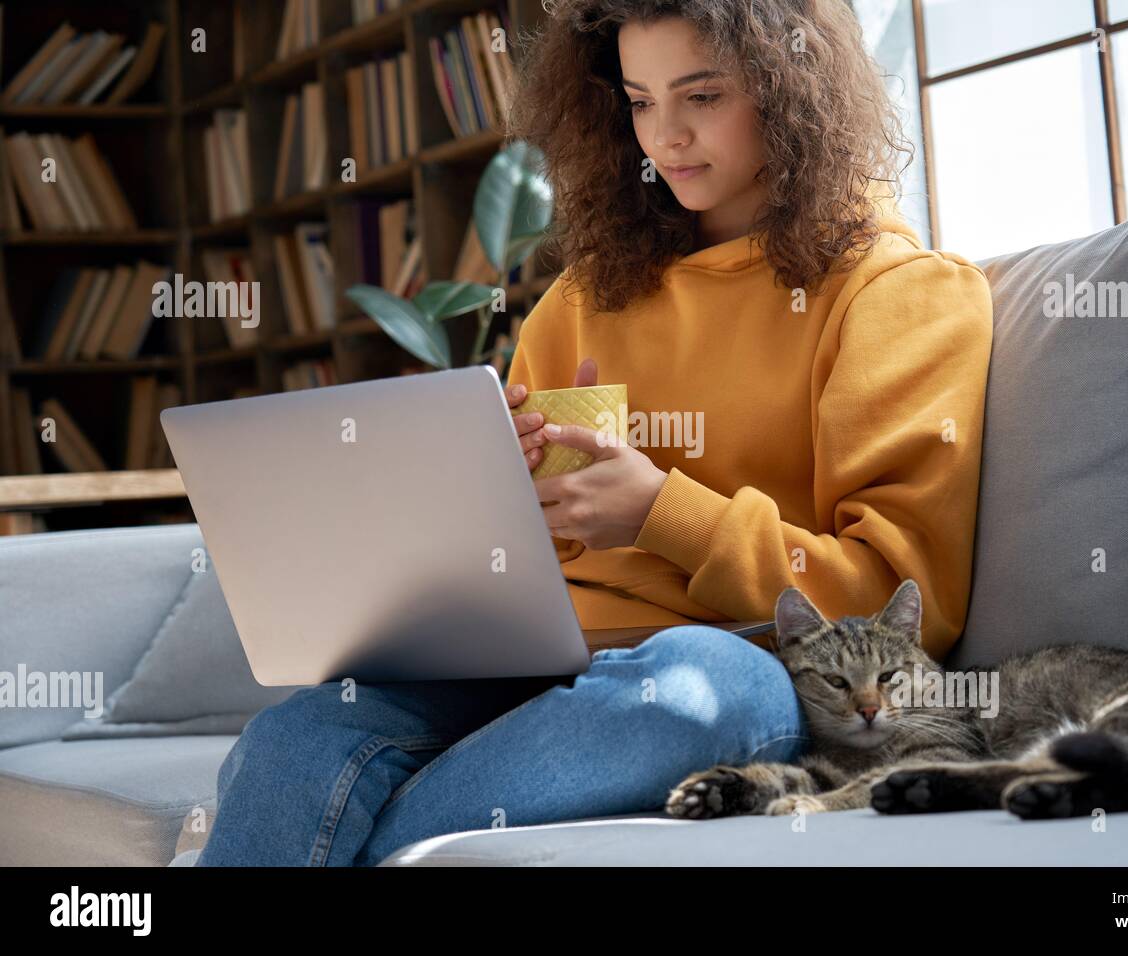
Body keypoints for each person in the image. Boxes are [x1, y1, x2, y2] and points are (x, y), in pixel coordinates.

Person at [193, 0, 992, 866]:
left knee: (694, 688)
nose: (668, 137)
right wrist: (498, 500)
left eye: (702, 95)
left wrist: (661, 512)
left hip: (740, 661)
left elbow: (903, 606)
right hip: (530, 661)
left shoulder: (899, 294)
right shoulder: (586, 295)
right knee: (299, 736)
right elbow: (549, 547)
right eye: (641, 102)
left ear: (789, 87)